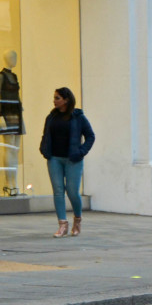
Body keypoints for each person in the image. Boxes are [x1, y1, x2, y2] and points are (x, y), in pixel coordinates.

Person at [38, 87, 94, 238]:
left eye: (57, 98)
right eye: (54, 97)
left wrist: (81, 152)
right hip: (54, 158)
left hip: (72, 160)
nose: (54, 100)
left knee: (72, 191)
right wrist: (44, 149)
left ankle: (77, 219)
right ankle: (62, 224)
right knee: (58, 191)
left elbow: (90, 136)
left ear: (66, 100)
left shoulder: (78, 117)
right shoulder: (51, 117)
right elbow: (46, 135)